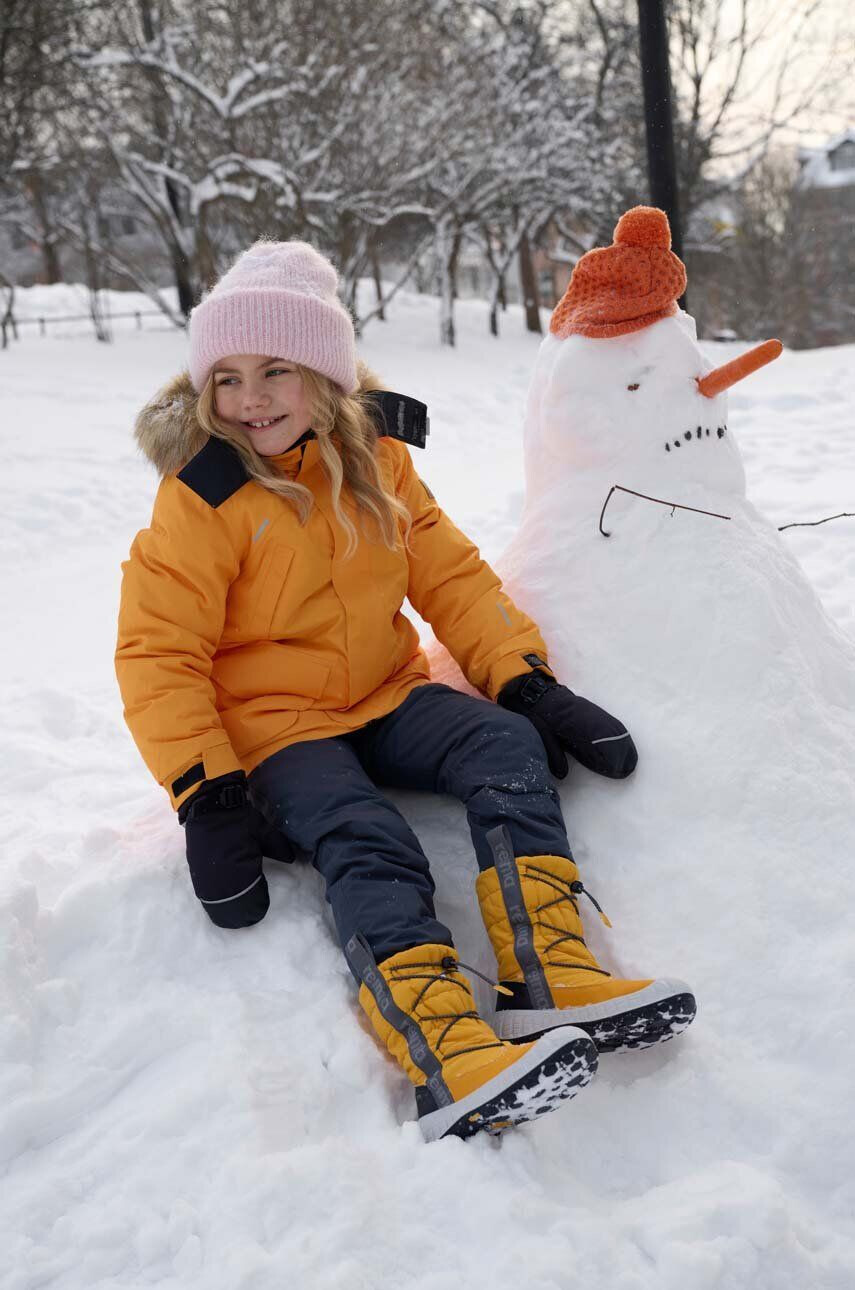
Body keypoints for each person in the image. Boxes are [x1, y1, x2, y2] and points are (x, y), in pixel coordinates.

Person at [116, 241, 695, 1143]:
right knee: (364, 833)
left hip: (385, 694)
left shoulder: (377, 461)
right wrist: (208, 793)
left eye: (277, 370)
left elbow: (450, 575)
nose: (251, 398)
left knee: (500, 750)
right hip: (273, 730)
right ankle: (446, 1047)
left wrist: (524, 683)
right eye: (226, 377)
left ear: (329, 377)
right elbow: (158, 650)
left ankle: (547, 974)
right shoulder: (207, 495)